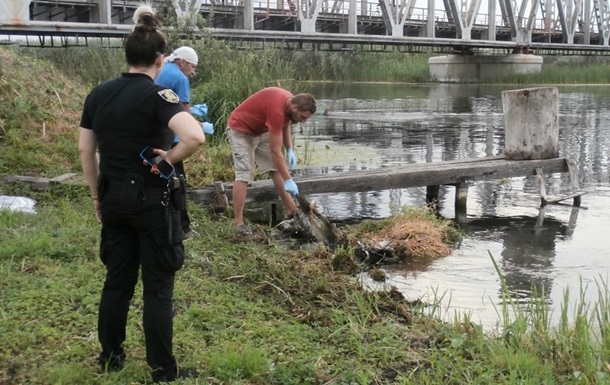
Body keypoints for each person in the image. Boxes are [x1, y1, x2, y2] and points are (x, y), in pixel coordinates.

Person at [77, 5, 205, 383]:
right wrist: (168, 161)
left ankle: (110, 357)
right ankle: (163, 370)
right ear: (160, 59)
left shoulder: (98, 94)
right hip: (153, 204)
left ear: (128, 55)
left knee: (117, 281)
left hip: (113, 198)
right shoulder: (159, 96)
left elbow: (86, 151)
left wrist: (97, 195)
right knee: (158, 290)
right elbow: (195, 136)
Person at [227, 87, 316, 233]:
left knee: (276, 168)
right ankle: (238, 222)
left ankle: (291, 209)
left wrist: (289, 149)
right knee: (245, 173)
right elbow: (275, 151)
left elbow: (285, 125)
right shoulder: (277, 110)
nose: (303, 122)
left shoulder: (290, 103)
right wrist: (288, 179)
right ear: (295, 108)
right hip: (241, 129)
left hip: (260, 129)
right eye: (303, 117)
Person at [155, 46, 199, 238]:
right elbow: (184, 111)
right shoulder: (180, 78)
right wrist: (199, 126)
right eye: (192, 67)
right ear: (182, 62)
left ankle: (163, 221)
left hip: (156, 133)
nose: (193, 71)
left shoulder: (162, 68)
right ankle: (183, 227)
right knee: (178, 180)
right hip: (172, 138)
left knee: (160, 176)